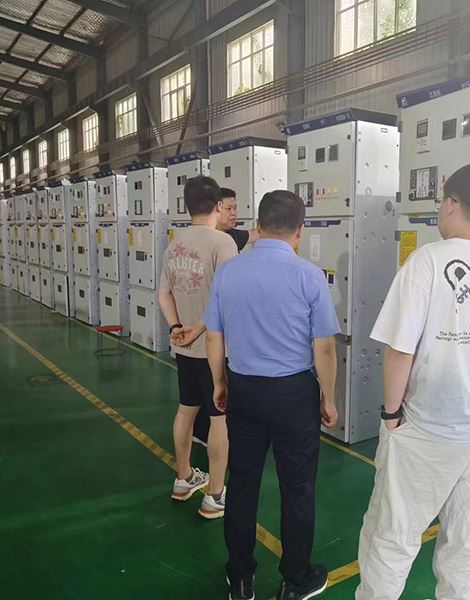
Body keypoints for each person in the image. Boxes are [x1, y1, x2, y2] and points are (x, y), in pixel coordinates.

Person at [355, 163, 470, 600]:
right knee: (465, 534)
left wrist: (391, 416)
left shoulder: (428, 262)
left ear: (452, 204)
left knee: (392, 535)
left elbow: (399, 351)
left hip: (429, 427)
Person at [202, 190, 340, 600]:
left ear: (257, 226)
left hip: (244, 391)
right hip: (293, 395)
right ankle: (296, 580)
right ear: (300, 231)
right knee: (297, 489)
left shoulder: (229, 273)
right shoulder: (309, 276)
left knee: (242, 484)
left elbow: (213, 337)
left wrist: (220, 383)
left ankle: (240, 577)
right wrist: (327, 398)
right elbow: (324, 347)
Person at [158, 175, 238, 519]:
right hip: (215, 348)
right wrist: (200, 328)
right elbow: (226, 296)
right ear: (218, 205)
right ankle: (215, 495)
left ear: (187, 206)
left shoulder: (174, 244)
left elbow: (163, 293)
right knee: (220, 419)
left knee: (186, 409)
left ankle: (184, 477)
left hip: (185, 348)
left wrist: (177, 328)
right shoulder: (223, 242)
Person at [218, 187, 259, 251]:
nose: (233, 213)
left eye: (235, 208)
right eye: (229, 208)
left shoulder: (232, 234)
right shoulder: (208, 237)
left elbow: (258, 234)